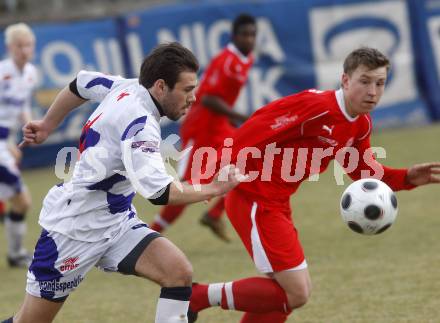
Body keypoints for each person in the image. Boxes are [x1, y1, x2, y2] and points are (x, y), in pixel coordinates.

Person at [187, 47, 440, 323]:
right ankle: (197, 296)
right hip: (254, 198)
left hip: (277, 203)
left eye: (380, 83)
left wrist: (406, 178)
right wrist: (208, 175)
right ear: (345, 80)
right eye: (364, 81)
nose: (373, 91)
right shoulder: (317, 107)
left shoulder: (360, 123)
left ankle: (199, 296)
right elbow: (256, 126)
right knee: (297, 292)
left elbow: (364, 171)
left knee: (283, 294)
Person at [1, 42, 246, 323]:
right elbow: (160, 192)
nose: (194, 98)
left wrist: (47, 124)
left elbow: (81, 83)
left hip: (116, 222)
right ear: (161, 87)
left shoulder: (127, 86)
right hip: (74, 230)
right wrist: (215, 188)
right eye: (187, 90)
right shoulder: (140, 124)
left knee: (178, 272)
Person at [150, 13, 257, 242]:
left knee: (250, 160)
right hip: (201, 128)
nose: (250, 40)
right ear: (234, 37)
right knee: (188, 188)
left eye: (253, 35)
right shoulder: (226, 61)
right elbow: (207, 99)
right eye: (245, 35)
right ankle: (149, 234)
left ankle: (214, 214)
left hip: (220, 126)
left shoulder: (246, 59)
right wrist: (241, 116)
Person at [0, 23, 37, 267]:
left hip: (4, 141)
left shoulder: (31, 73)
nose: (24, 50)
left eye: (28, 45)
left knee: (21, 202)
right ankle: (15, 254)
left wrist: (29, 125)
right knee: (22, 200)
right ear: (9, 47)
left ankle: (15, 254)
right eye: (19, 45)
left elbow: (22, 106)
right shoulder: (2, 71)